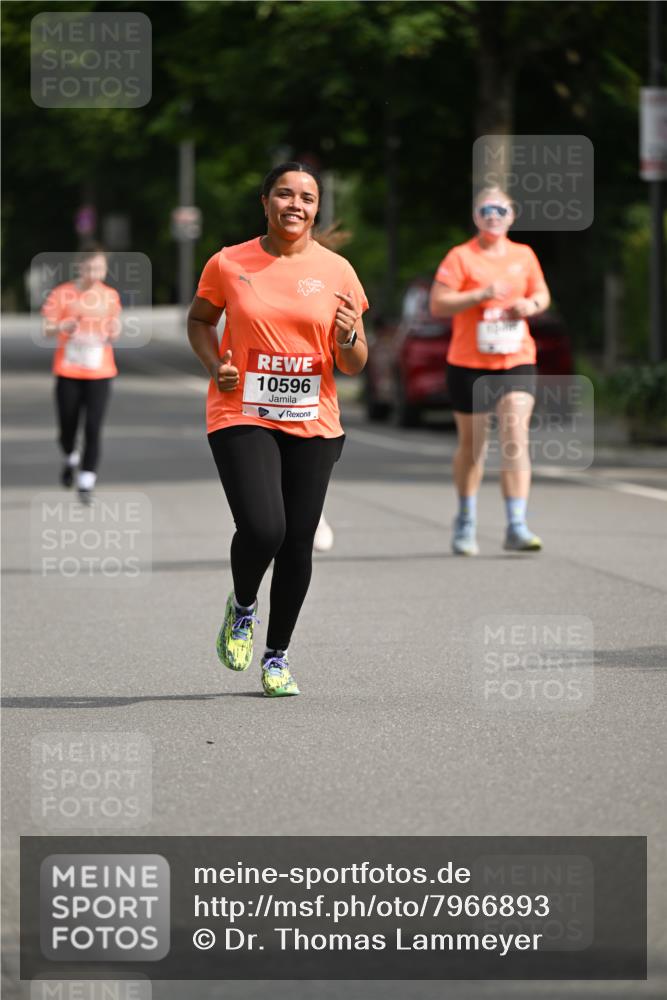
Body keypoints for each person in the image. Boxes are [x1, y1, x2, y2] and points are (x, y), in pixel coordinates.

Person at [187, 162, 368, 697]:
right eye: (284, 194)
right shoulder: (228, 262)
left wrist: (350, 336)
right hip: (240, 409)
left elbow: (355, 363)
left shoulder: (337, 271)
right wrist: (212, 361)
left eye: (307, 198)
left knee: (297, 544)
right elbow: (200, 320)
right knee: (265, 528)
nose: (296, 204)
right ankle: (243, 608)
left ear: (316, 209)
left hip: (314, 420)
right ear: (264, 200)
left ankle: (277, 657)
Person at [429, 186, 551, 555]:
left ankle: (517, 524)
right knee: (474, 447)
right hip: (469, 364)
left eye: (500, 209)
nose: (493, 215)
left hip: (516, 359)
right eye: (486, 209)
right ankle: (466, 518)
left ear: (512, 214)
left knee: (515, 436)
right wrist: (480, 295)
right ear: (476, 216)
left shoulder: (524, 255)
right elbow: (438, 304)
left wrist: (530, 304)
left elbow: (543, 294)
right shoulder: (461, 257)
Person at [42, 248, 121, 504]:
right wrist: (62, 326)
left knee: (93, 427)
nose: (94, 274)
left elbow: (115, 328)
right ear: (79, 267)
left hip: (100, 371)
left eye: (99, 269)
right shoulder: (62, 294)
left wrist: (113, 331)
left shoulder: (110, 296)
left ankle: (86, 480)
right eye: (89, 268)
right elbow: (46, 329)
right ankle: (70, 455)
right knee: (67, 426)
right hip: (69, 370)